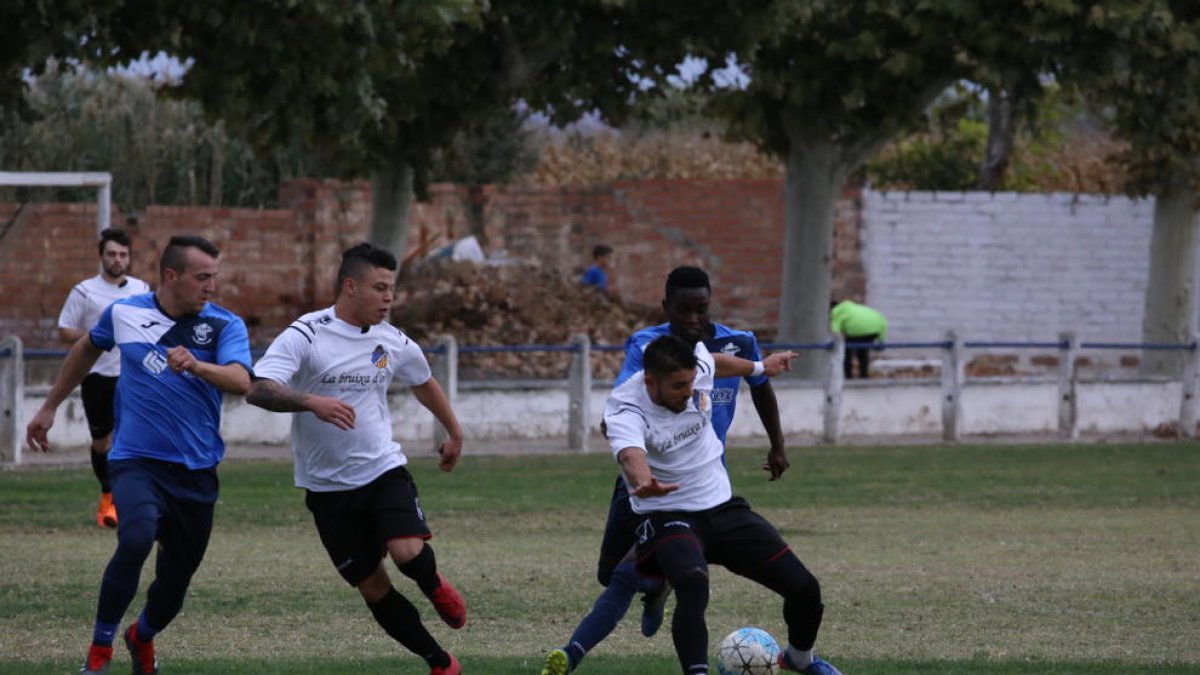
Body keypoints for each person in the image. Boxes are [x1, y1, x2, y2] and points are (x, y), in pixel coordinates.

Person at [542, 266, 790, 675]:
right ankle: (656, 585)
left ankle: (581, 648)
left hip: (702, 483)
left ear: (710, 304)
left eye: (701, 309)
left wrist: (778, 444)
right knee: (610, 573)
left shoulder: (737, 342)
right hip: (647, 478)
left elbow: (759, 384)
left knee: (648, 570)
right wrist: (627, 447)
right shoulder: (647, 345)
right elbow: (628, 400)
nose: (693, 319)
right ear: (666, 307)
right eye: (683, 310)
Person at [27, 234, 252, 675]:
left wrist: (197, 365)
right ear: (172, 276)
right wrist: (50, 406)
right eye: (203, 277)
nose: (212, 286)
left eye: (215, 277)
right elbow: (87, 347)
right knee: (134, 538)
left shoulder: (225, 325)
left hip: (197, 471)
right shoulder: (125, 313)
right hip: (136, 461)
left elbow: (241, 381)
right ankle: (99, 650)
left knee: (174, 588)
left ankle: (141, 636)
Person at [246, 242, 466, 675]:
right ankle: (439, 662)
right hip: (327, 488)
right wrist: (311, 401)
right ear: (350, 286)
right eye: (379, 288)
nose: (388, 298)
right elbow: (259, 388)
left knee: (406, 551)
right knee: (373, 587)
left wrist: (454, 431)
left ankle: (432, 583)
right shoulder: (307, 333)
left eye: (391, 289)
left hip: (382, 468)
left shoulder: (391, 339)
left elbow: (423, 380)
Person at [607, 335, 841, 675]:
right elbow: (630, 454)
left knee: (805, 588)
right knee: (692, 584)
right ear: (650, 381)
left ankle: (799, 658)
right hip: (668, 513)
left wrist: (761, 366)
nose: (688, 393)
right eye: (677, 387)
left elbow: (714, 362)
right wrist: (644, 482)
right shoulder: (624, 406)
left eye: (690, 383)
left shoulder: (694, 370)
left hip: (721, 507)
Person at [56, 227, 152, 528]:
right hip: (97, 374)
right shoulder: (84, 291)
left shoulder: (141, 289)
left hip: (132, 375)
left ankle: (130, 501)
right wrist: (98, 337)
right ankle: (107, 494)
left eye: (123, 255)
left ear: (130, 258)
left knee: (133, 437)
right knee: (102, 439)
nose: (117, 259)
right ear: (101, 257)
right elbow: (64, 330)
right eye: (112, 254)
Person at [829, 298, 888, 379]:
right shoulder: (853, 307)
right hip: (875, 327)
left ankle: (848, 376)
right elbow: (882, 320)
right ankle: (864, 375)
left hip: (856, 329)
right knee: (863, 352)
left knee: (847, 353)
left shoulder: (836, 312)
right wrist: (881, 340)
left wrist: (832, 344)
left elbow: (835, 331)